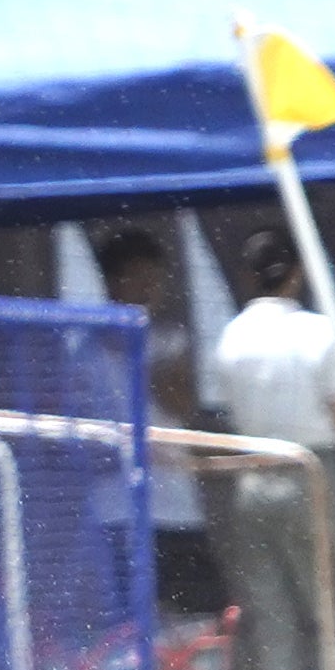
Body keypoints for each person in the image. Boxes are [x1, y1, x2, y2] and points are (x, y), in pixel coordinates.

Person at [210, 228, 335, 670]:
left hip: (252, 475)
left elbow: (226, 408)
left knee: (269, 601)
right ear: (297, 274)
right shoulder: (319, 331)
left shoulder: (231, 336)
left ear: (247, 276)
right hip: (311, 469)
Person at [89, 227, 228, 647]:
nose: (147, 288)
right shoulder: (84, 348)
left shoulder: (170, 340)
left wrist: (145, 362)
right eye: (136, 277)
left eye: (154, 278)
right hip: (114, 506)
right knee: (126, 624)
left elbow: (183, 405)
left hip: (174, 505)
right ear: (112, 281)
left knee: (196, 616)